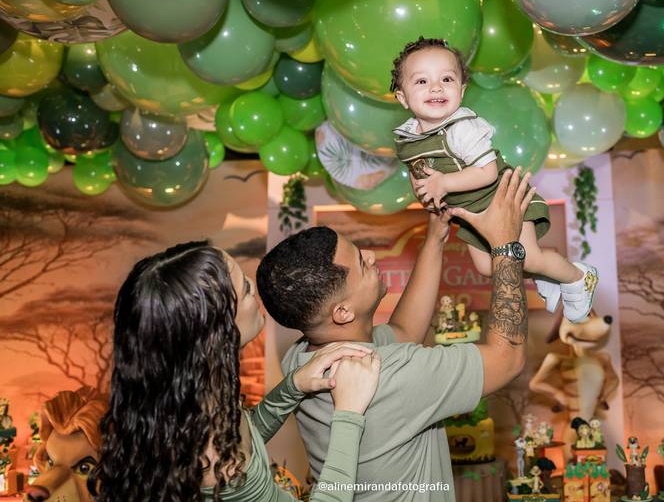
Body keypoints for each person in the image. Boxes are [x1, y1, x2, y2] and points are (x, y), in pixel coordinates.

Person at [259, 168, 533, 501]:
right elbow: (508, 357)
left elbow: (404, 331)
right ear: (342, 312)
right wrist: (506, 246)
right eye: (361, 263)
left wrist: (435, 238)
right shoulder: (392, 374)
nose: (371, 256)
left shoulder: (301, 359)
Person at [90, 241, 381, 502]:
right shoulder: (219, 466)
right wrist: (348, 413)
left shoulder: (191, 404)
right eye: (245, 290)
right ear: (215, 333)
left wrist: (292, 387)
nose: (253, 287)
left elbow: (241, 437)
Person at [390, 36, 598, 324]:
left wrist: (445, 184)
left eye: (447, 79)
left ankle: (579, 277)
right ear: (402, 97)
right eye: (422, 81)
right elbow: (419, 172)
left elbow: (486, 172)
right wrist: (427, 194)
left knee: (528, 257)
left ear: (461, 90)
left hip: (503, 199)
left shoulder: (462, 128)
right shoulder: (406, 138)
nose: (436, 87)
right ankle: (548, 273)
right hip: (472, 213)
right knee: (489, 268)